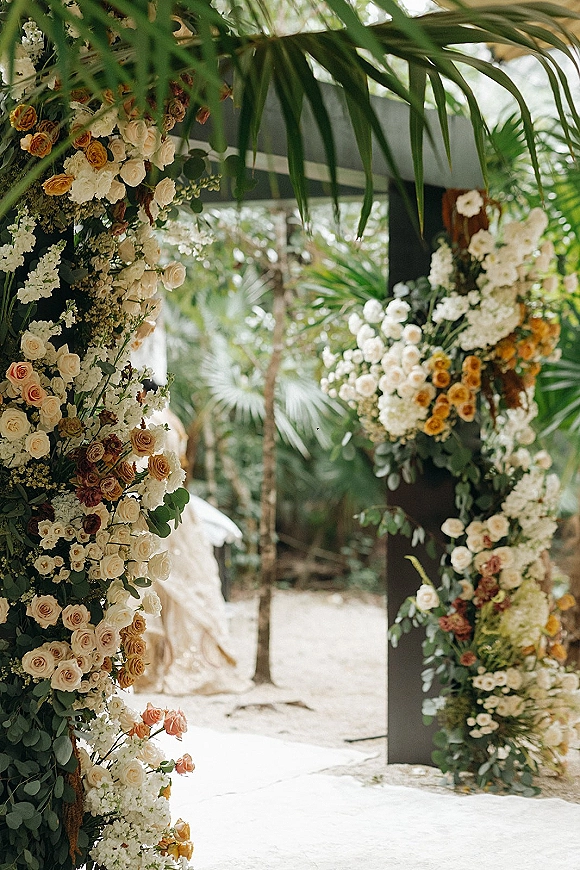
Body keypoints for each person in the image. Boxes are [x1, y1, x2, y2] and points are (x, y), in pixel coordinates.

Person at [134, 407, 250, 695]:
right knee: (174, 579)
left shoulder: (146, 418)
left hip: (150, 505)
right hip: (175, 507)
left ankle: (149, 665)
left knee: (152, 578)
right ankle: (162, 660)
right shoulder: (172, 419)